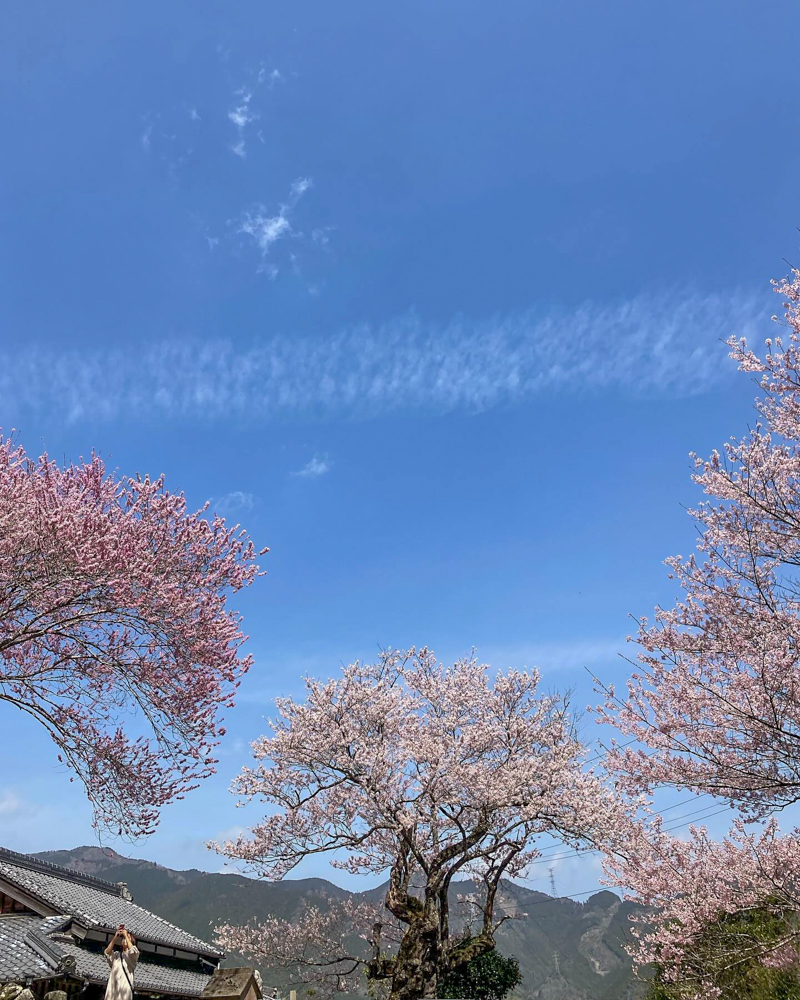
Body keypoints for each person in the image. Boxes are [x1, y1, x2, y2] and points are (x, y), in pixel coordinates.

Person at [103, 925, 139, 1000]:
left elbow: (132, 950)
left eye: (128, 938)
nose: (125, 939)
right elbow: (107, 952)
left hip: (124, 991)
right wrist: (116, 937)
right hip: (113, 991)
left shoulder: (132, 956)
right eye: (123, 938)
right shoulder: (116, 955)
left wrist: (126, 935)